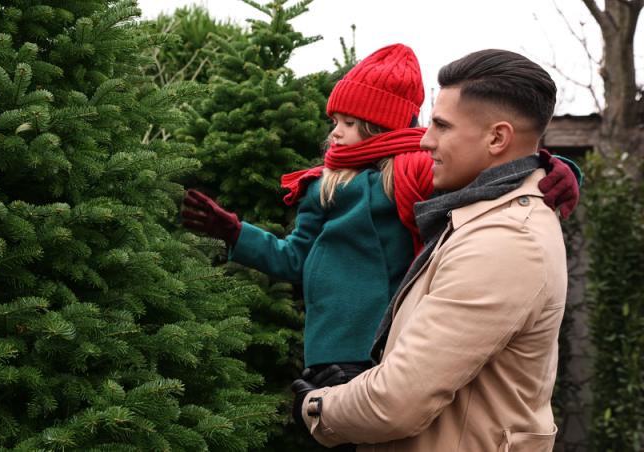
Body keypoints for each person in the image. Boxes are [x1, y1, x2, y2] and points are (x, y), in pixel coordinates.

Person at [181, 44, 578, 438]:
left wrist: (556, 169)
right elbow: (295, 259)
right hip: (327, 354)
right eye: (334, 120)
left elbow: (500, 173)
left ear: (379, 127)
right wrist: (237, 233)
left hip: (380, 355)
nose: (336, 132)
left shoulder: (415, 172)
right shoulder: (322, 185)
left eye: (350, 122)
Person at [296, 48, 570, 452]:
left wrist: (318, 405)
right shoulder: (476, 214)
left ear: (497, 137)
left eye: (442, 126)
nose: (424, 140)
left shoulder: (505, 242)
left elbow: (397, 402)